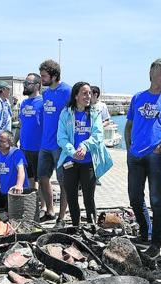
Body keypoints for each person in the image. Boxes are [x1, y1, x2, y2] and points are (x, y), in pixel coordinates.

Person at [125, 58, 161, 258]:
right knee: (135, 197)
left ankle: (156, 242)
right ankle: (145, 232)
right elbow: (129, 125)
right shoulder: (138, 97)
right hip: (135, 156)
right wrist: (129, 147)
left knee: (157, 200)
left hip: (157, 157)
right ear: (151, 72)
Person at [57, 82, 113, 226]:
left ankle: (92, 226)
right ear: (76, 95)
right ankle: (76, 226)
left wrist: (84, 146)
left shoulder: (94, 113)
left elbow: (98, 135)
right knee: (72, 196)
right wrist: (72, 151)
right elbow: (61, 137)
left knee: (89, 197)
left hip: (88, 162)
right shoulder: (66, 113)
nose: (88, 96)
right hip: (70, 161)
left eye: (89, 93)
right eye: (84, 93)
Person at [38, 59, 71, 227]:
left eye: (44, 76)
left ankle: (62, 217)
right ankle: (50, 211)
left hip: (60, 145)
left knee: (63, 181)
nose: (41, 79)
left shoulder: (67, 91)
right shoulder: (45, 94)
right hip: (45, 144)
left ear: (54, 75)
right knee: (42, 177)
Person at [19, 73, 44, 193]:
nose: (25, 86)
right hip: (24, 147)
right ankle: (32, 198)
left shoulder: (43, 102)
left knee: (40, 178)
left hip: (39, 148)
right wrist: (14, 142)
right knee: (29, 176)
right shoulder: (23, 103)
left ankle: (41, 201)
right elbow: (21, 125)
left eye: (27, 84)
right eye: (25, 83)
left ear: (37, 86)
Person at [0, 131, 29, 209]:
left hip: (16, 193)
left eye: (2, 141)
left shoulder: (17, 153)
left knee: (8, 213)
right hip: (4, 193)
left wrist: (19, 185)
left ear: (10, 142)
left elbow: (21, 170)